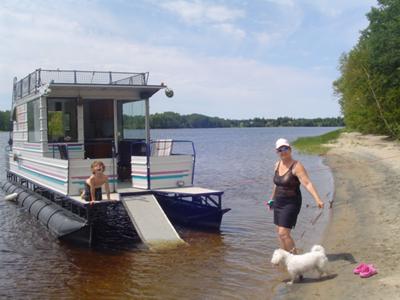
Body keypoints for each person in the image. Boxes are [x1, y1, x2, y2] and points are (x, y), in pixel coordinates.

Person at [270, 138, 324, 254]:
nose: (283, 151)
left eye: (285, 148)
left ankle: (295, 259)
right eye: (280, 150)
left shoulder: (296, 166)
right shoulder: (277, 165)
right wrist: (272, 199)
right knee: (279, 233)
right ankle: (286, 257)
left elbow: (307, 183)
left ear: (290, 149)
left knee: (284, 233)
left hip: (291, 203)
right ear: (277, 152)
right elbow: (276, 184)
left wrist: (317, 199)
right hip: (278, 202)